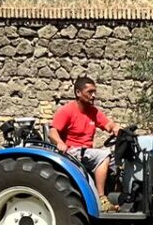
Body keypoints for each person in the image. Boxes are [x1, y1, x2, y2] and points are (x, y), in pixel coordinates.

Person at [49, 74, 116, 203]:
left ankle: (118, 198)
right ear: (78, 93)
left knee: (117, 161)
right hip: (71, 152)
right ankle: (102, 199)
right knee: (103, 155)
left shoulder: (93, 112)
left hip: (86, 153)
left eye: (94, 92)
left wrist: (116, 128)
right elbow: (52, 131)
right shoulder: (67, 111)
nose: (94, 96)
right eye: (90, 92)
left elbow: (108, 125)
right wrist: (59, 142)